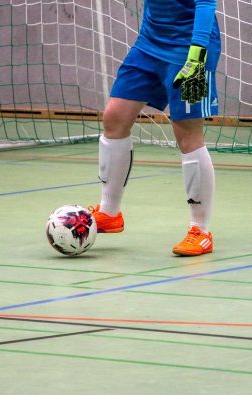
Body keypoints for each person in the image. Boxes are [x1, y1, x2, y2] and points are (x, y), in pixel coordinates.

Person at [89, 0, 220, 256]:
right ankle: (109, 212)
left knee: (187, 132)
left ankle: (200, 231)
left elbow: (206, 4)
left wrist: (197, 54)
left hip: (191, 48)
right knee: (115, 117)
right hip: (149, 44)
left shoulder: (195, 51)